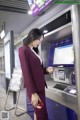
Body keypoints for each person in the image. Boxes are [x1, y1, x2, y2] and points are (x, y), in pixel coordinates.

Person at [18, 28, 54, 120]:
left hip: (40, 88)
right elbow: (26, 72)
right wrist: (33, 93)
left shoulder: (33, 50)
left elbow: (36, 70)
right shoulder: (23, 49)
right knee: (42, 115)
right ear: (33, 37)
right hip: (35, 91)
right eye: (39, 40)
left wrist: (46, 70)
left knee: (39, 114)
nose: (40, 43)